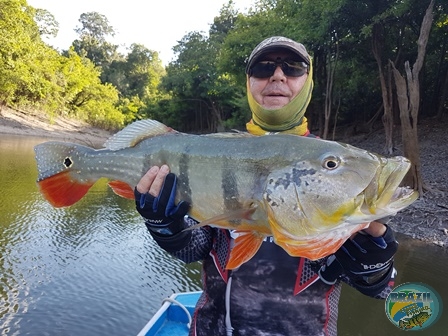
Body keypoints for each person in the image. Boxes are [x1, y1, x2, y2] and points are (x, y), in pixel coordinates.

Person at [134, 36, 398, 336]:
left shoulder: (338, 170)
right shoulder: (212, 155)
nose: (277, 75)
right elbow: (194, 249)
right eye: (262, 68)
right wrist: (163, 225)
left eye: (294, 67)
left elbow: (381, 289)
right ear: (249, 83)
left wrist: (373, 258)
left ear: (308, 83)